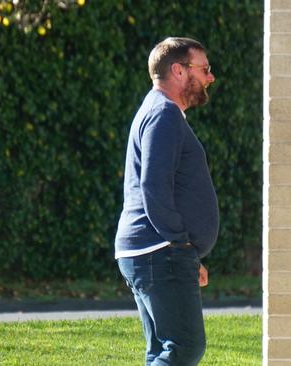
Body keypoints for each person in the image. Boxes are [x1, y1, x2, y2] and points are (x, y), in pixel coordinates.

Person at [114, 37, 219, 366]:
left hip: (154, 252)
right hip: (159, 252)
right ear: (178, 70)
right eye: (204, 69)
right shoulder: (164, 115)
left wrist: (187, 253)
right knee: (185, 347)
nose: (210, 78)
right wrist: (181, 245)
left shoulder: (157, 111)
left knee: (162, 352)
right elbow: (154, 188)